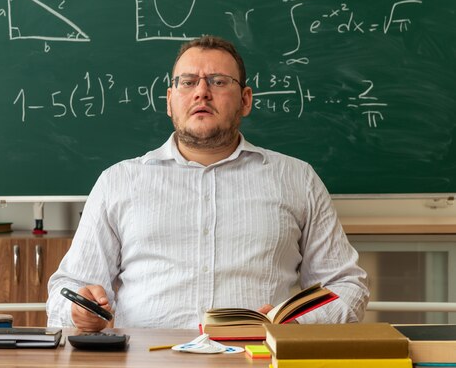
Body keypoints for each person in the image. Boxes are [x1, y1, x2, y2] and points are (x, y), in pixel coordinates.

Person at [46, 35, 369, 332]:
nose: (201, 91)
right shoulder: (118, 181)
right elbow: (71, 285)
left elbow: (345, 285)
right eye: (187, 82)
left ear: (245, 100)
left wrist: (296, 324)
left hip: (257, 361)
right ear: (170, 100)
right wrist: (79, 310)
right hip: (146, 362)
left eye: (218, 81)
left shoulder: (297, 179)